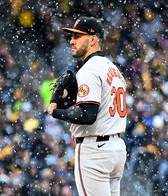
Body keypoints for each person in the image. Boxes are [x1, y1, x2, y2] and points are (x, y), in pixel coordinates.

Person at [47, 16, 127, 196]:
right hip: (115, 149)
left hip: (94, 151)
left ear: (93, 39)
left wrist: (56, 112)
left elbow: (88, 116)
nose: (72, 41)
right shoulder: (113, 69)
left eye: (77, 36)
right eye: (72, 37)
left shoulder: (89, 70)